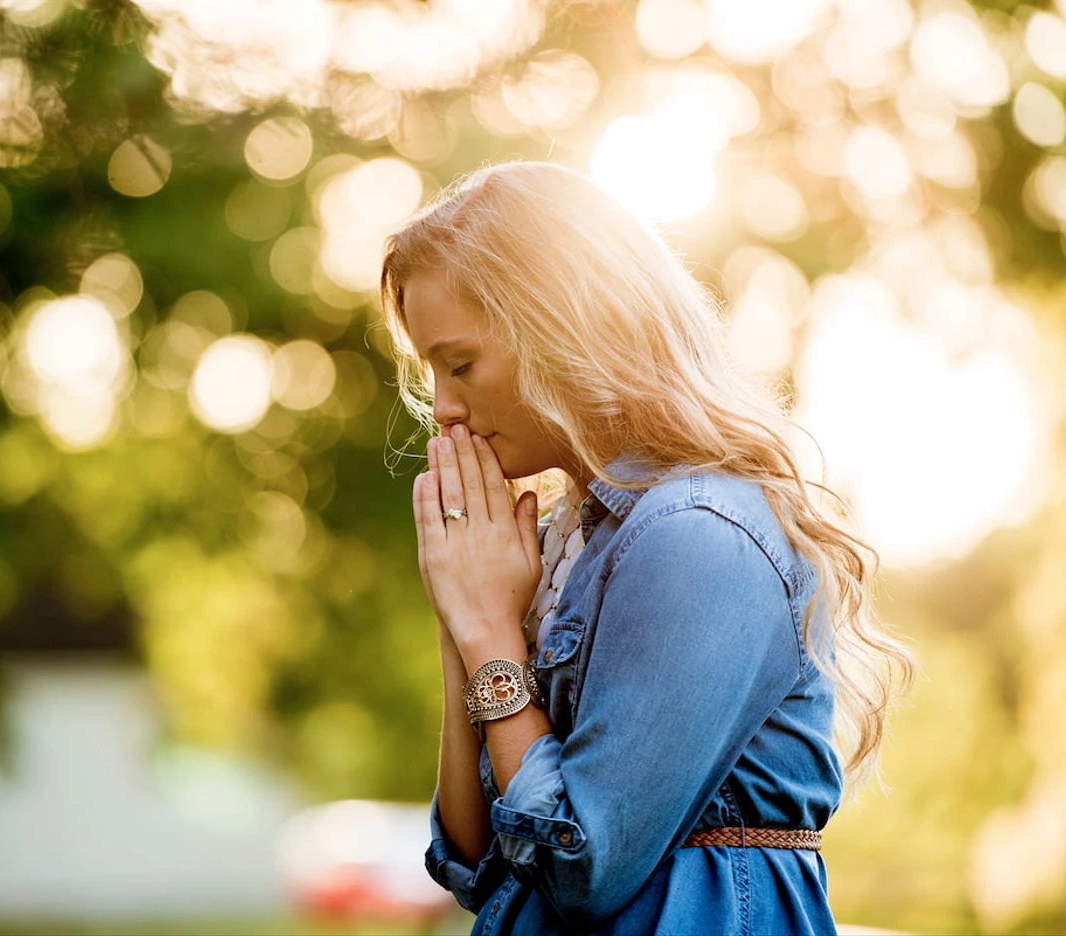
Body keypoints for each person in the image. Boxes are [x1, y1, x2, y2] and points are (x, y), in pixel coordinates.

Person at [379, 161, 914, 935]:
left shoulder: (698, 535)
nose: (447, 409)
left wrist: (492, 633)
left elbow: (582, 864)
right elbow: (474, 859)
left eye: (460, 364)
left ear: (563, 327)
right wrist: (463, 613)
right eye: (433, 373)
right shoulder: (574, 544)